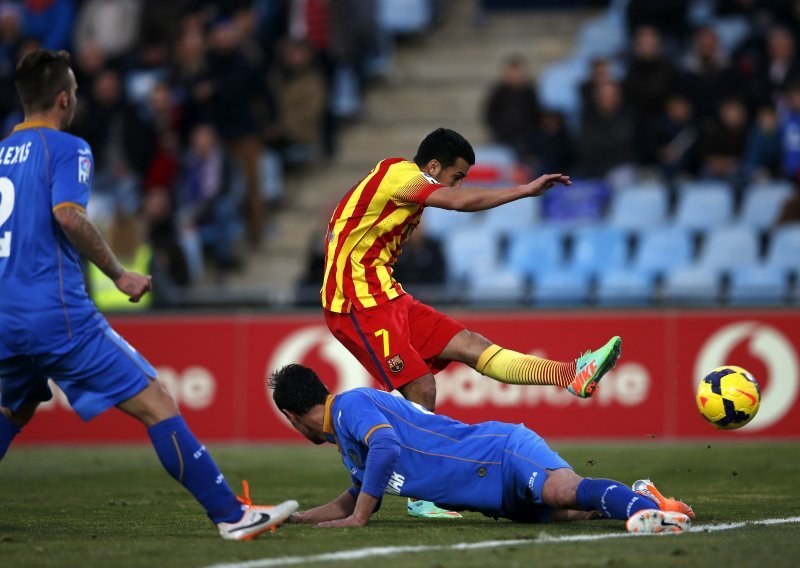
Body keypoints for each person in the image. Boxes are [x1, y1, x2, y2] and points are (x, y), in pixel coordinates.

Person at [0, 49, 297, 541]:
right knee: (156, 400)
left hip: (6, 316)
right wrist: (119, 274)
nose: (75, 97)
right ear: (62, 99)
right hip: (56, 315)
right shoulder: (67, 147)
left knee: (15, 406)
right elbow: (69, 215)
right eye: (73, 90)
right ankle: (232, 516)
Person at [321, 127, 621, 518]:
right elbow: (458, 205)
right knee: (421, 386)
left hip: (387, 296)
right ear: (432, 167)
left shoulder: (401, 187)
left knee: (470, 344)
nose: (457, 186)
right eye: (456, 177)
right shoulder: (400, 177)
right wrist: (523, 191)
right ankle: (420, 494)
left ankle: (569, 374)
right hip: (354, 303)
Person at [269, 364, 694, 534]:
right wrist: (301, 517)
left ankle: (651, 512)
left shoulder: (349, 407)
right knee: (580, 513)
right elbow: (358, 494)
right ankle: (648, 497)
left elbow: (385, 446)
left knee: (565, 490)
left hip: (499, 453)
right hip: (494, 497)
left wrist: (360, 517)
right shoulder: (346, 437)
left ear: (291, 415)